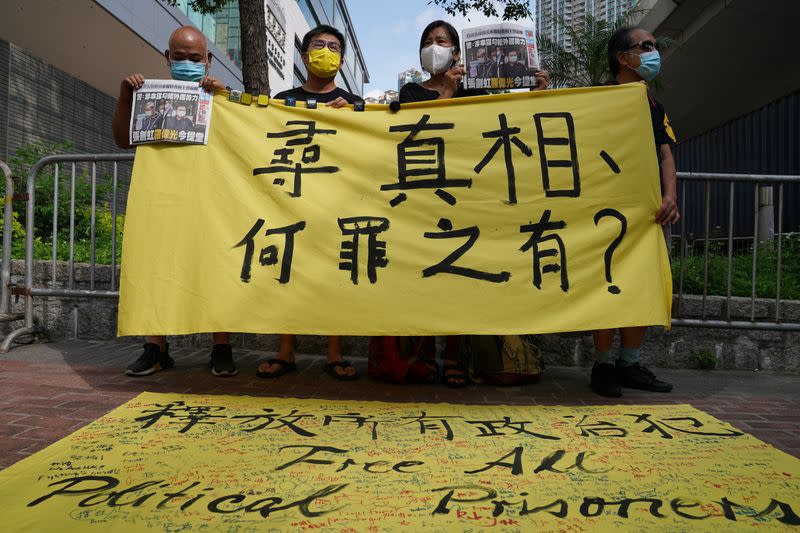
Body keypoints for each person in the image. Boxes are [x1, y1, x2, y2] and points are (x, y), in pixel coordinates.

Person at [395, 20, 550, 388]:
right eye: (429, 41)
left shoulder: (476, 92)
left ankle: (454, 356)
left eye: (442, 41)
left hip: (466, 199)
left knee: (461, 278)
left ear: (458, 53)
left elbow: (509, 127)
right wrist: (446, 92)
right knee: (427, 276)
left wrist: (540, 95)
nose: (435, 46)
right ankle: (425, 355)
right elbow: (418, 132)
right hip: (423, 198)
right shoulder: (411, 92)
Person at [111, 26, 234, 377]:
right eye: (178, 57)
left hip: (209, 194)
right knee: (155, 264)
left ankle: (222, 346)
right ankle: (155, 347)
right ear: (167, 58)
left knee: (213, 266)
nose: (186, 63)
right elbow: (122, 139)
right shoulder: (147, 93)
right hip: (160, 195)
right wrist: (125, 96)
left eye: (194, 58)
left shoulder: (218, 95)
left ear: (208, 61)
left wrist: (224, 97)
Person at [256, 25, 364, 381]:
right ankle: (285, 351)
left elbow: (368, 148)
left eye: (334, 47)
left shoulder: (354, 102)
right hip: (291, 200)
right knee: (288, 273)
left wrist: (352, 116)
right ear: (304, 55)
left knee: (334, 275)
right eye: (319, 45)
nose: (326, 51)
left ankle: (335, 353)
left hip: (336, 202)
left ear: (342, 60)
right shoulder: (283, 98)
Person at [590, 26, 680, 397]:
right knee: (606, 285)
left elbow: (664, 153)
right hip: (604, 210)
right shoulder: (600, 98)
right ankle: (602, 366)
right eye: (645, 47)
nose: (652, 52)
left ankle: (629, 362)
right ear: (621, 58)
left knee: (640, 285)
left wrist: (669, 196)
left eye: (654, 46)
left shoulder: (654, 105)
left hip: (646, 214)